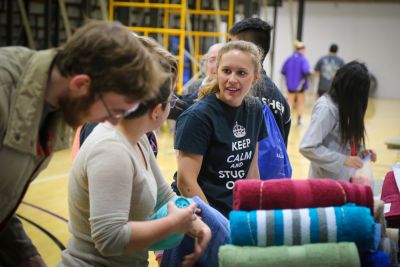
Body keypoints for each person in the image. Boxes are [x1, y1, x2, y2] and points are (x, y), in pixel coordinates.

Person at [0, 20, 167, 266]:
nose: (114, 121)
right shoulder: (5, 92)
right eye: (114, 110)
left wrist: (25, 254)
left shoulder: (54, 103)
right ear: (81, 85)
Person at [60, 43, 211, 267]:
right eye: (169, 100)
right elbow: (109, 238)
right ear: (156, 111)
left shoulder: (137, 135)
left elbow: (162, 195)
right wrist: (172, 224)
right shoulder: (111, 150)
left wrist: (197, 224)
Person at [174, 40, 268, 218]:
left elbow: (252, 170)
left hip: (234, 213)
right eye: (226, 71)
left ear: (255, 77)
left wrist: (251, 215)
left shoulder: (254, 109)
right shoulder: (198, 117)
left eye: (241, 73)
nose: (232, 79)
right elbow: (186, 183)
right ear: (217, 71)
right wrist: (216, 223)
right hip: (198, 214)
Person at [299, 61, 377, 180]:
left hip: (342, 182)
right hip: (325, 186)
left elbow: (339, 140)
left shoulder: (344, 106)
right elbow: (308, 147)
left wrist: (361, 152)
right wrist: (344, 160)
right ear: (351, 90)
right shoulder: (327, 108)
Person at [229, 17, 291, 146]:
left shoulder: (231, 93)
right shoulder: (280, 99)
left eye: (231, 44)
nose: (226, 50)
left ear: (246, 49)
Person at [281, 40, 312, 126]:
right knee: (300, 103)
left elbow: (283, 70)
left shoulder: (289, 58)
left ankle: (286, 119)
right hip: (300, 85)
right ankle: (299, 120)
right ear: (301, 49)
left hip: (290, 85)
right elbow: (306, 71)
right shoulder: (303, 59)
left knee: (289, 102)